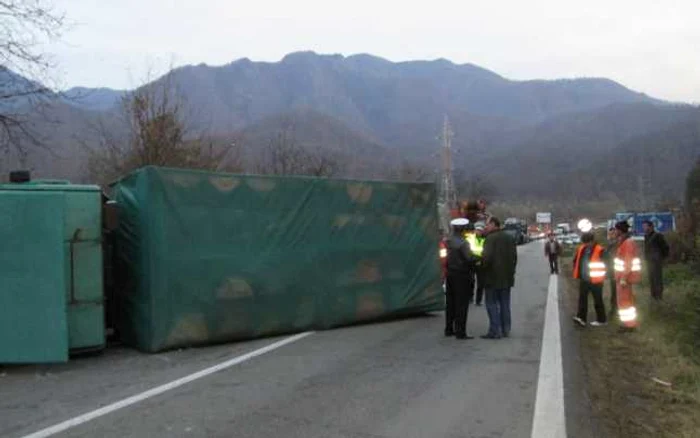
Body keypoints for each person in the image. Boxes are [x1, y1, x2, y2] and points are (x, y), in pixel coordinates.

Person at [481, 216, 518, 339]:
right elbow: (514, 258)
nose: (486, 227)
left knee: (491, 303)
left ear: (493, 224)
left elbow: (486, 258)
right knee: (505, 303)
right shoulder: (509, 238)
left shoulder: (490, 239)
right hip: (507, 277)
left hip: (492, 278)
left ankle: (494, 330)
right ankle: (506, 329)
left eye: (487, 224)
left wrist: (480, 266)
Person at [444, 218, 478, 340]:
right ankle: (460, 331)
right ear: (462, 229)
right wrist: (477, 259)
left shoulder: (448, 241)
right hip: (462, 275)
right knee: (462, 304)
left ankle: (449, 328)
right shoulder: (464, 243)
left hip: (450, 274)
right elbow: (468, 259)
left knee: (450, 303)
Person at [572, 233, 607, 327]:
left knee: (598, 300)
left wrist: (604, 275)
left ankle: (601, 320)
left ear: (592, 241)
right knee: (582, 300)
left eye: (588, 243)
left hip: (596, 280)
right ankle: (581, 318)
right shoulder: (581, 248)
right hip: (584, 279)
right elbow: (576, 261)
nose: (586, 244)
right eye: (584, 242)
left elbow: (607, 263)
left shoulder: (600, 250)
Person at [613, 221, 642, 330]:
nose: (614, 232)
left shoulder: (627, 243)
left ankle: (629, 325)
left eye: (615, 230)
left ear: (620, 231)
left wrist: (624, 278)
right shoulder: (624, 241)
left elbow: (628, 262)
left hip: (625, 278)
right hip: (622, 277)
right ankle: (628, 324)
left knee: (625, 302)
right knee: (625, 302)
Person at [642, 220, 669, 301]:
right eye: (643, 226)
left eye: (645, 226)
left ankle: (659, 297)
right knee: (651, 279)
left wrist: (661, 257)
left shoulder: (658, 236)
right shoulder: (646, 236)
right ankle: (653, 296)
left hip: (656, 261)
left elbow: (665, 247)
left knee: (657, 279)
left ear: (651, 226)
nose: (644, 228)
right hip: (649, 261)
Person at [603, 227, 619, 317]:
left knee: (617, 291)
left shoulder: (617, 244)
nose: (610, 235)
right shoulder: (609, 245)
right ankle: (614, 308)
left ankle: (615, 309)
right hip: (612, 271)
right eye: (609, 234)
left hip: (618, 272)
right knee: (614, 291)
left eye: (612, 233)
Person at [472, 221, 487, 306]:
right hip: (471, 262)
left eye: (480, 230)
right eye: (477, 230)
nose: (478, 232)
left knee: (480, 283)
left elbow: (486, 252)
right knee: (470, 281)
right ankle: (470, 297)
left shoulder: (485, 239)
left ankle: (478, 300)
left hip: (481, 263)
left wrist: (481, 260)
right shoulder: (471, 239)